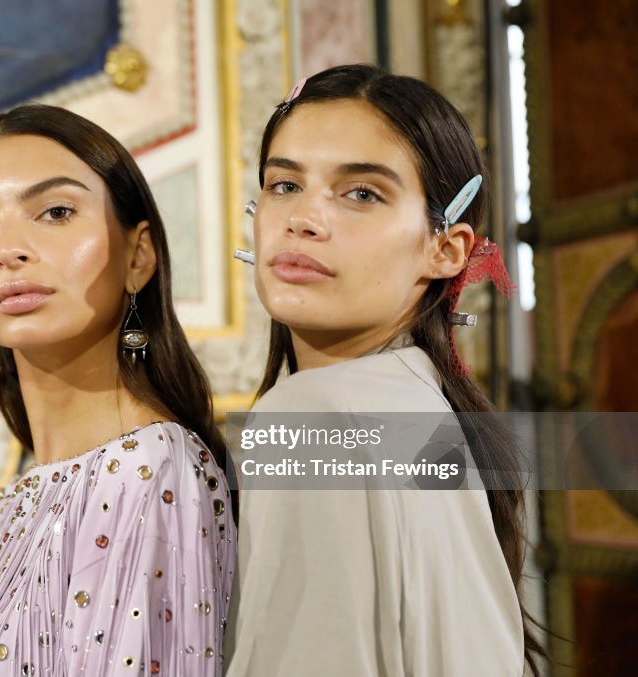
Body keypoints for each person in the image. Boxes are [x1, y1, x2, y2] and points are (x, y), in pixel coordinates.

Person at [0, 104, 236, 677]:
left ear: (138, 255)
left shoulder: (149, 471)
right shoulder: (15, 498)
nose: (8, 250)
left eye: (55, 212)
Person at [224, 64, 543, 676]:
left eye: (362, 193)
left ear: (445, 250)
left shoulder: (314, 414)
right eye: (284, 185)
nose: (303, 219)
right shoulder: (428, 414)